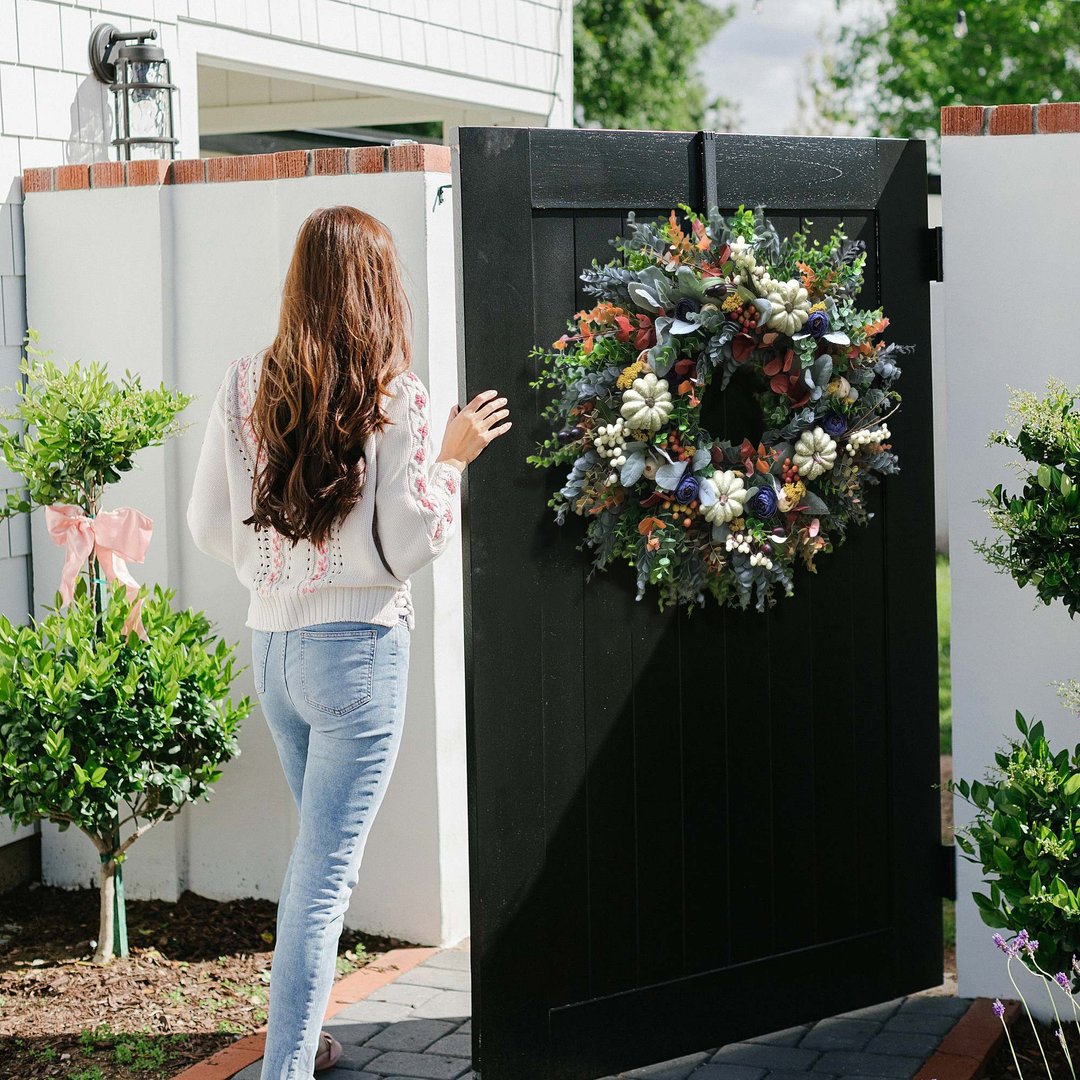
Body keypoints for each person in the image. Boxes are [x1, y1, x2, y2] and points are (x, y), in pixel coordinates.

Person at [185, 205, 510, 1079]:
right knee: (323, 880)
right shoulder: (394, 394)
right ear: (376, 287)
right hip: (358, 654)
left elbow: (207, 522)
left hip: (273, 654)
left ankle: (305, 1036)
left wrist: (274, 571)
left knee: (316, 867)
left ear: (299, 282)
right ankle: (286, 1068)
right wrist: (451, 457)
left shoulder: (245, 380)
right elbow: (410, 544)